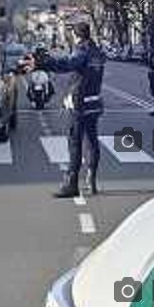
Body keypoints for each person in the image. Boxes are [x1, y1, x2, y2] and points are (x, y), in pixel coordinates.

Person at [26, 22, 106, 198]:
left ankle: (71, 184)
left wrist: (42, 63)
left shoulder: (82, 50)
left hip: (80, 104)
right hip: (94, 102)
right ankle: (91, 178)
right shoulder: (98, 52)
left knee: (75, 143)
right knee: (92, 141)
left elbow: (68, 64)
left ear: (77, 36)